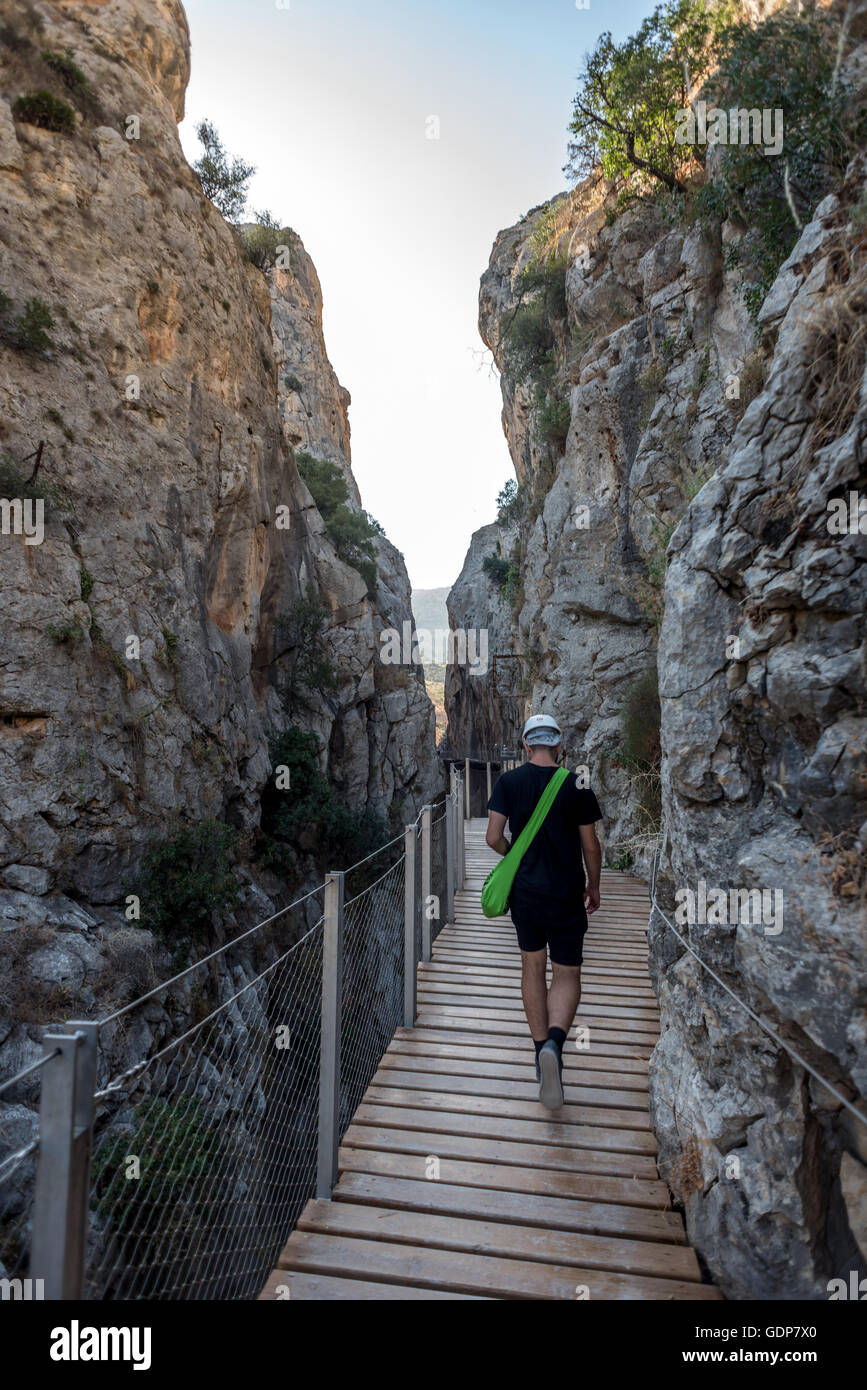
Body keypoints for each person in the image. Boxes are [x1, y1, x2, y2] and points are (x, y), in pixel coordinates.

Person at [485, 713, 602, 1110]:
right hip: (566, 893)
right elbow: (590, 846)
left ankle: (539, 1056)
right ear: (559, 746)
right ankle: (555, 1042)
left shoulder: (508, 782)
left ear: (525, 746)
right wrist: (594, 884)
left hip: (526, 895)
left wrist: (513, 856)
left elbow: (493, 837)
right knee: (566, 971)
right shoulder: (577, 784)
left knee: (532, 967)